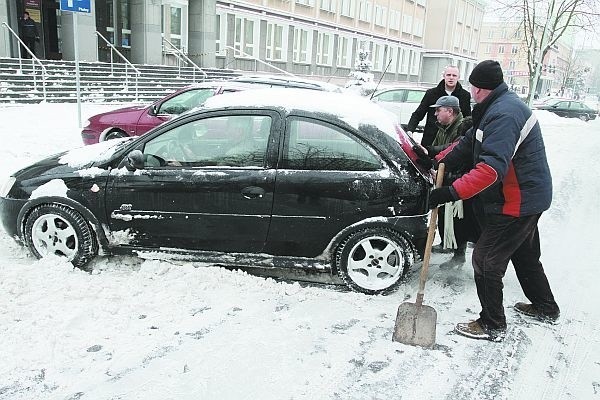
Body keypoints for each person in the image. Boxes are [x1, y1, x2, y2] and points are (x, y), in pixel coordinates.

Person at [428, 60, 560, 342]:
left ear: (478, 88)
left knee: (486, 259)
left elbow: (490, 169)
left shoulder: (504, 115)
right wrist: (439, 158)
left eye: (473, 87)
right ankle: (545, 307)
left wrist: (451, 192)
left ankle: (492, 323)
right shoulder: (495, 108)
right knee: (524, 255)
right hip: (527, 196)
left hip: (517, 199)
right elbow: (469, 143)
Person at [417, 96, 477, 268]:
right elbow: (449, 150)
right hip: (456, 179)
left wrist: (448, 180)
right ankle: (453, 249)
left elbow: (459, 155)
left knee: (464, 222)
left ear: (450, 111)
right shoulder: (453, 129)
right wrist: (432, 158)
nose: (435, 114)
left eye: (438, 110)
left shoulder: (465, 129)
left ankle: (467, 259)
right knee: (456, 219)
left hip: (470, 185)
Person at [405, 65, 471, 147]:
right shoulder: (431, 93)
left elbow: (467, 118)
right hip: (430, 138)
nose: (451, 78)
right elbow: (418, 114)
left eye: (454, 75)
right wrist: (410, 130)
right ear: (444, 76)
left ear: (458, 77)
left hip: (452, 140)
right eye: (448, 75)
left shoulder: (465, 95)